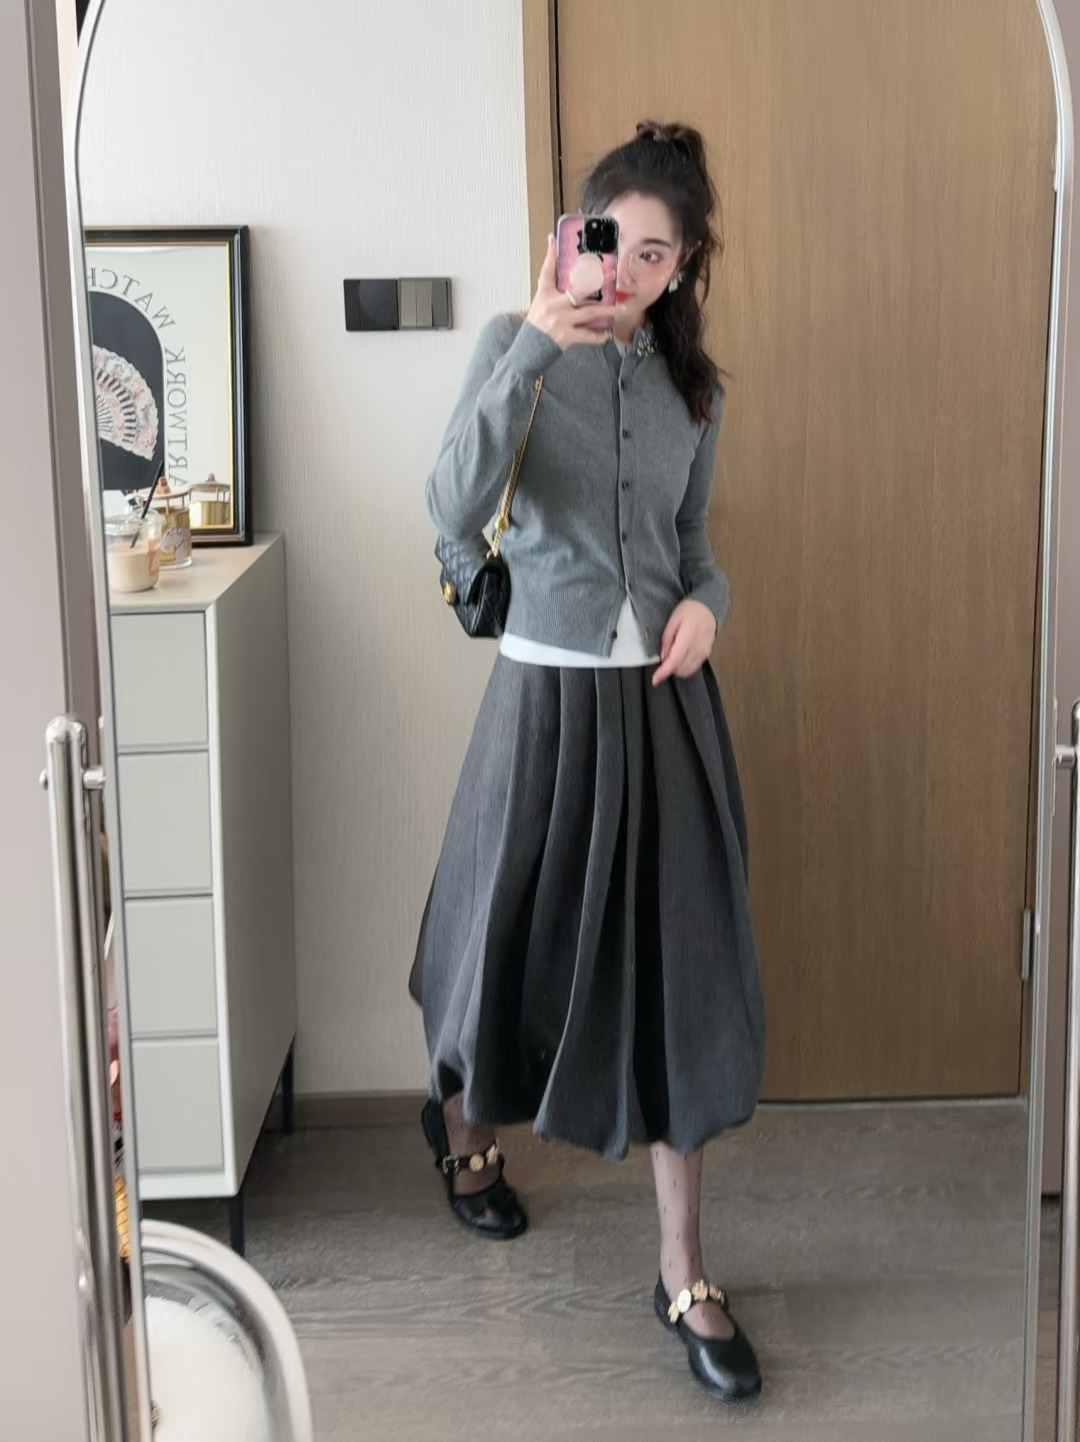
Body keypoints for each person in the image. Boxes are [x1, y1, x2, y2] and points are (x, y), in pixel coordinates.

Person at [409, 120, 766, 1403]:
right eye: (616, 238)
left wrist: (708, 604)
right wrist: (534, 344)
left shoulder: (692, 390)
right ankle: (463, 1130)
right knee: (498, 945)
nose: (634, 267)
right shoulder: (515, 350)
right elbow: (449, 505)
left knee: (678, 975)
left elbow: (695, 545)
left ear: (683, 264)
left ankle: (683, 1270)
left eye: (661, 252)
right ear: (576, 232)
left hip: (663, 707)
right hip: (542, 700)